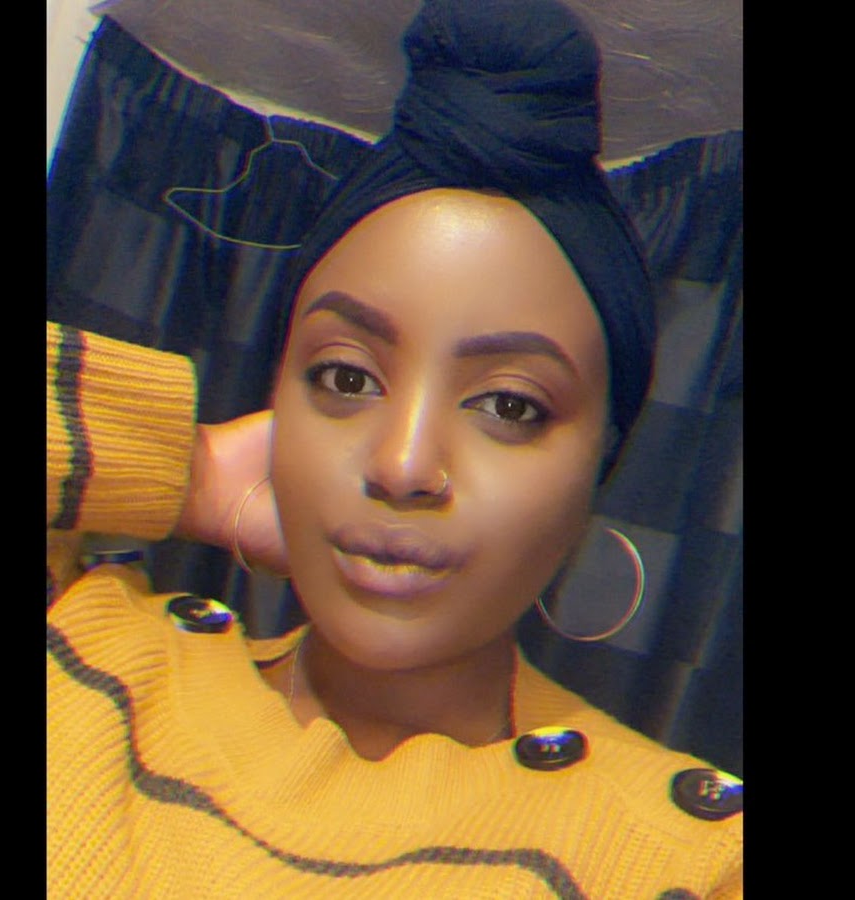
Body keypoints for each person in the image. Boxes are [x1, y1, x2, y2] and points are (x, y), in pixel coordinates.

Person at [47, 1, 742, 897]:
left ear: (598, 466)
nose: (404, 465)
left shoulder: (686, 859)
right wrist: (189, 470)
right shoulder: (93, 659)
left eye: (509, 405)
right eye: (346, 378)